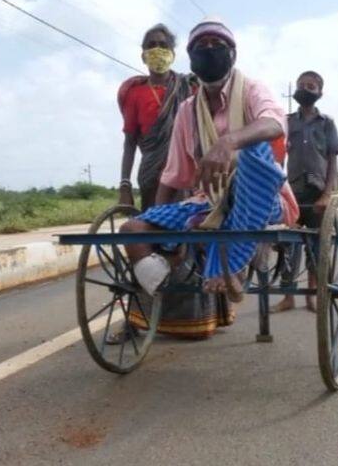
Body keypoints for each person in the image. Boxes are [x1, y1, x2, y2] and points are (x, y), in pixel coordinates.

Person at [117, 18, 299, 339]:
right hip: (208, 200)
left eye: (218, 46)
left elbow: (274, 124)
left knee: (255, 151)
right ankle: (162, 288)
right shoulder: (188, 109)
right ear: (190, 56)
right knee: (133, 229)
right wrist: (159, 233)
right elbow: (172, 175)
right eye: (202, 47)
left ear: (233, 54)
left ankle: (234, 263)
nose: (210, 51)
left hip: (260, 197)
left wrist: (229, 142)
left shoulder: (253, 90)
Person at [271, 70, 338, 313]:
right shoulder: (287, 121)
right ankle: (288, 296)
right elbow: (278, 156)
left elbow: (333, 160)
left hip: (317, 191)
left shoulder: (327, 123)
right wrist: (276, 188)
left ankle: (312, 296)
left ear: (319, 93)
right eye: (302, 84)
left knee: (315, 245)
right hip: (291, 190)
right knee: (287, 245)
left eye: (310, 86)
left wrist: (327, 194)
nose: (305, 88)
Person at [118, 24, 195, 211]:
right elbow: (130, 142)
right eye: (151, 45)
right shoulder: (135, 94)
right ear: (143, 55)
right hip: (152, 177)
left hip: (188, 177)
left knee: (189, 233)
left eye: (163, 45)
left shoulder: (191, 87)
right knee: (152, 232)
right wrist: (125, 184)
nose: (157, 49)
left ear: (173, 54)